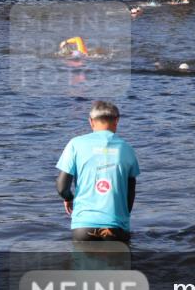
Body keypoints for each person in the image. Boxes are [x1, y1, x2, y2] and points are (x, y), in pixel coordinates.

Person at [56, 101, 140, 244]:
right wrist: (122, 218)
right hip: (116, 227)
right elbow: (130, 193)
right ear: (117, 121)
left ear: (91, 121)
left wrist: (68, 198)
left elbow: (62, 187)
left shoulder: (75, 144)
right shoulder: (127, 149)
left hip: (83, 226)